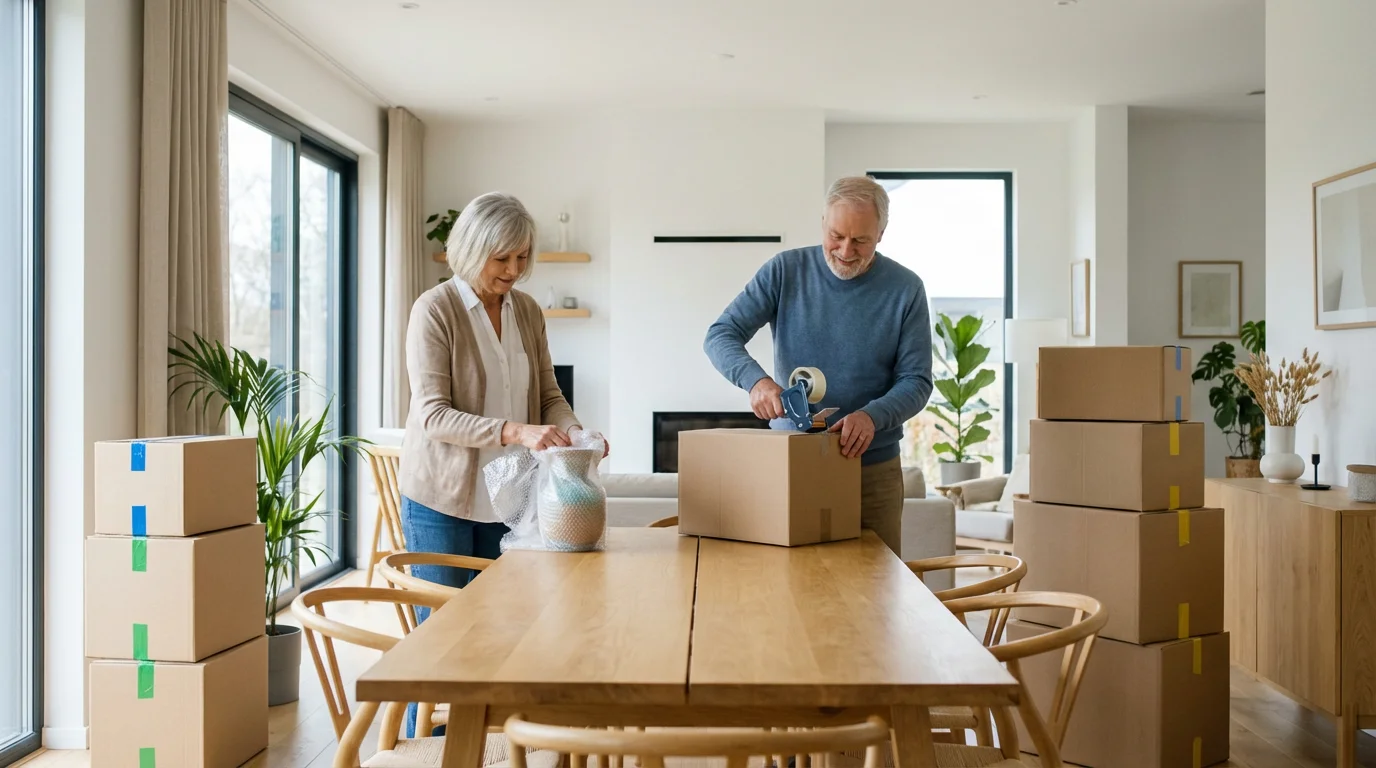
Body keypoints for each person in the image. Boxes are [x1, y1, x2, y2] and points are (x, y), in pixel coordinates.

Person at [398, 191, 607, 735]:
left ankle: (495, 748)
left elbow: (547, 393)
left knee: (505, 638)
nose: (514, 270)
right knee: (444, 646)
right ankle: (435, 749)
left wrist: (575, 432)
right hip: (441, 500)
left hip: (509, 500)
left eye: (522, 257)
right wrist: (514, 430)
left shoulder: (528, 311)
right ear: (473, 249)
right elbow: (432, 415)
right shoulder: (435, 310)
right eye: (502, 258)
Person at [703, 176, 933, 555]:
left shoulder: (906, 289)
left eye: (860, 240)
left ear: (882, 233)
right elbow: (720, 334)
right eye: (836, 235)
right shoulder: (783, 271)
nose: (845, 250)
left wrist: (872, 416)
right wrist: (755, 382)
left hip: (871, 472)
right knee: (786, 584)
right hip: (790, 463)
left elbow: (917, 381)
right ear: (823, 222)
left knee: (876, 588)